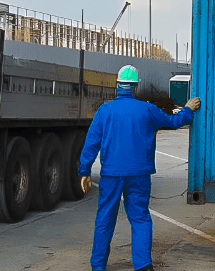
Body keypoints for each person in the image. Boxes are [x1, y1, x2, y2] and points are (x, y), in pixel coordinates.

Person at [78, 65, 201, 271]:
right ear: (136, 86)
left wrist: (85, 170)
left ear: (117, 85)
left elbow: (91, 143)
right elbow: (173, 121)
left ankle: (98, 266)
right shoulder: (147, 109)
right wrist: (188, 108)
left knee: (105, 218)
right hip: (140, 175)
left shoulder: (104, 111)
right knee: (140, 218)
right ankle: (143, 265)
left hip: (111, 175)